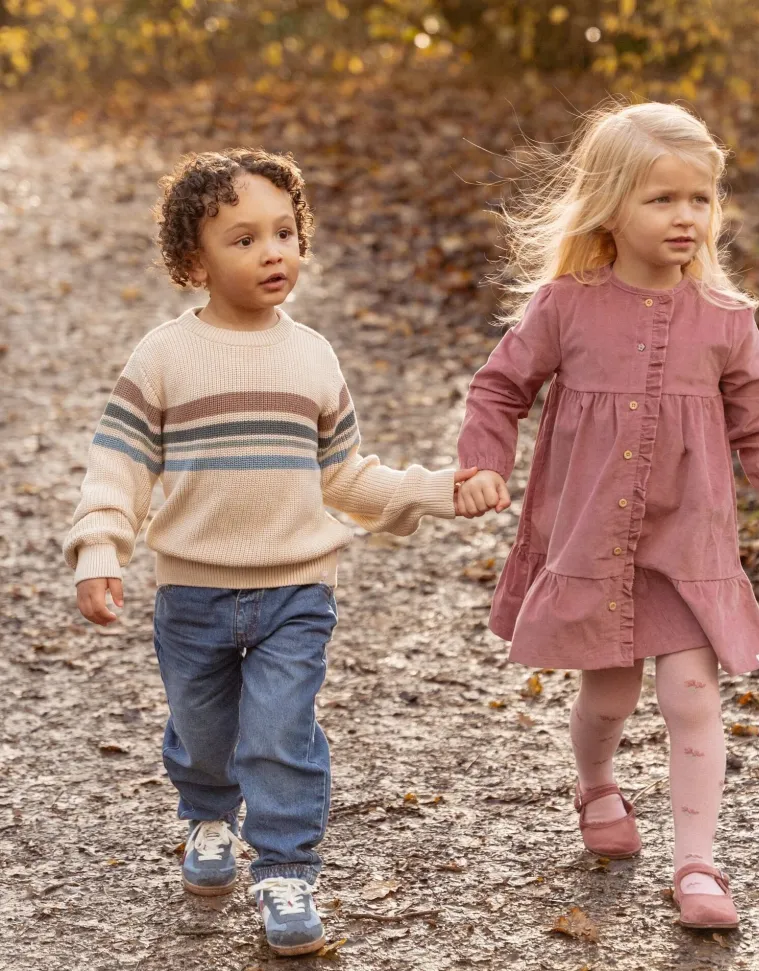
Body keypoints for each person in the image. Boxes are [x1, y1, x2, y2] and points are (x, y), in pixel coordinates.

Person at [64, 148, 475, 956]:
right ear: (195, 260)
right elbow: (119, 463)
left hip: (296, 589)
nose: (273, 251)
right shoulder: (164, 358)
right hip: (192, 593)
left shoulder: (312, 356)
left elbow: (346, 473)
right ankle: (208, 816)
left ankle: (287, 871)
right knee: (205, 731)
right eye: (243, 239)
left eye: (284, 232)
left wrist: (432, 488)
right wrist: (99, 546)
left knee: (281, 731)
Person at [455, 102, 759, 930]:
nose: (686, 216)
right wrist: (483, 460)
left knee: (693, 693)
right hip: (591, 537)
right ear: (609, 207)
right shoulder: (567, 305)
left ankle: (698, 865)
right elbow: (500, 386)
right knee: (610, 694)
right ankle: (596, 783)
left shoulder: (726, 319)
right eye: (662, 199)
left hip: (687, 544)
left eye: (700, 198)